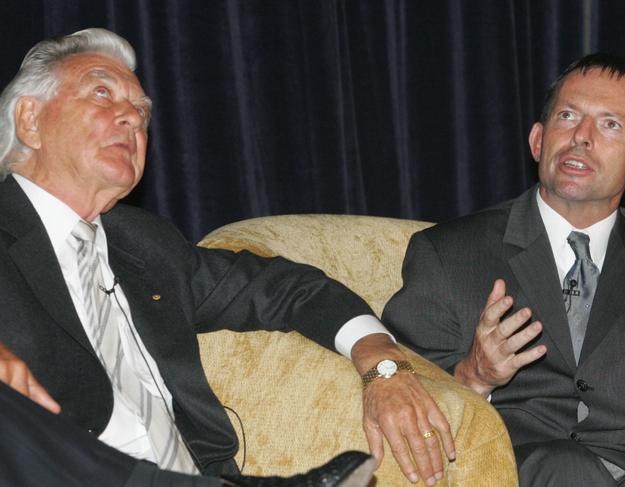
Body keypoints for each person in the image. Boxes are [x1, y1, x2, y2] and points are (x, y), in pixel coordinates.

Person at [0, 28, 455, 486]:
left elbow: (287, 288)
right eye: (102, 93)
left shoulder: (143, 244)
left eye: (141, 112)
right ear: (30, 121)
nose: (132, 120)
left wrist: (381, 361)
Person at [382, 52, 625, 486]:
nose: (582, 137)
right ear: (538, 141)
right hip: (521, 468)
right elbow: (399, 391)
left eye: (609, 124)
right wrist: (474, 374)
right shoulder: (448, 254)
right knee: (566, 468)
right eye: (568, 116)